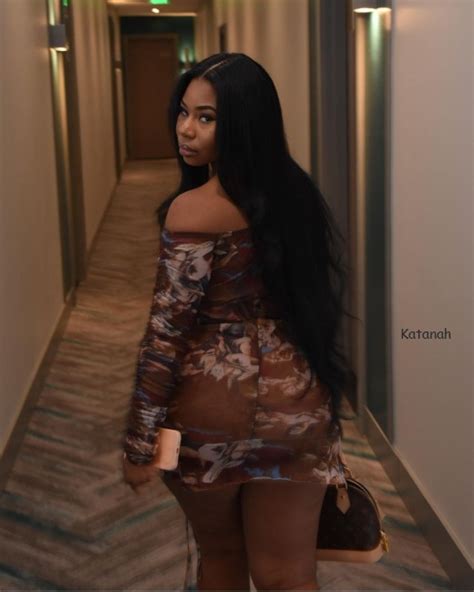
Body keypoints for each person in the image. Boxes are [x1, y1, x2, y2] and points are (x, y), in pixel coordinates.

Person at [122, 52, 356, 591]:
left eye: (206, 118)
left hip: (211, 411)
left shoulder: (193, 209)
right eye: (184, 112)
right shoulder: (297, 195)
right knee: (289, 576)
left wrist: (139, 442)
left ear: (245, 123)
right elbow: (313, 307)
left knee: (223, 557)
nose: (186, 129)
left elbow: (166, 335)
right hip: (297, 407)